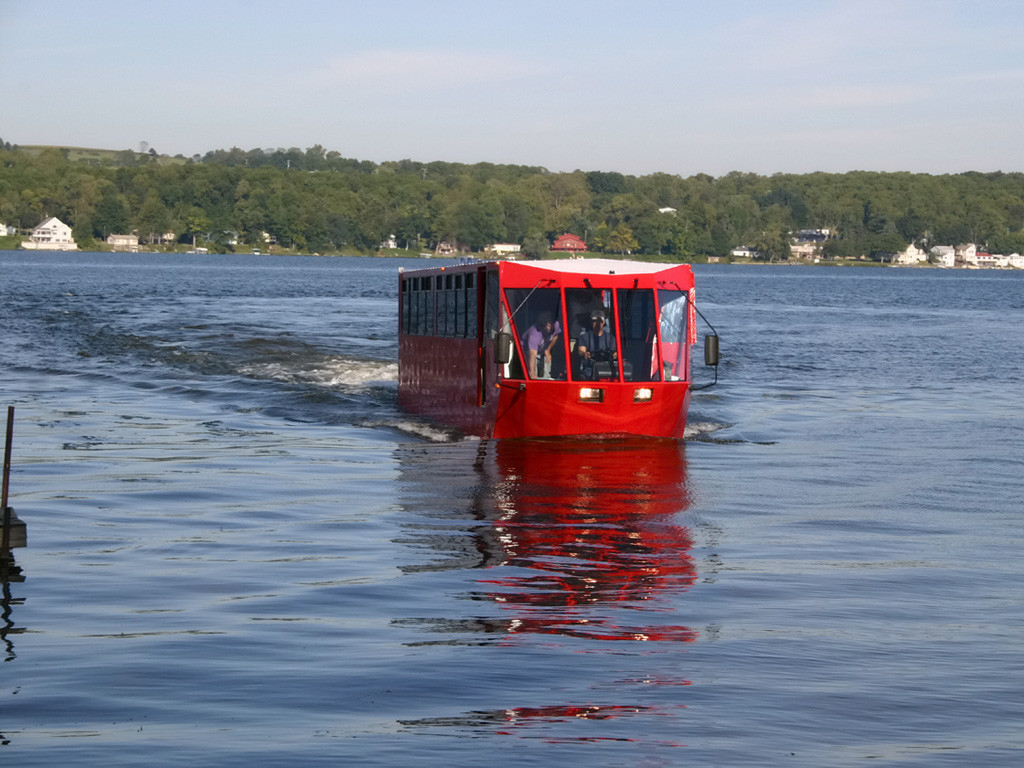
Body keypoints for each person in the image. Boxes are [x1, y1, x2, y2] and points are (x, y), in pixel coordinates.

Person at [576, 309, 616, 380]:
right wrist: (585, 353)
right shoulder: (584, 337)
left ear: (603, 322)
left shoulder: (610, 338)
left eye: (600, 321)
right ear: (591, 322)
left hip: (607, 369)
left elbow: (615, 352)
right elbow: (581, 351)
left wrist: (614, 355)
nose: (597, 324)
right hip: (589, 370)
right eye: (595, 321)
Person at [520, 311, 562, 379]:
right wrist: (532, 374)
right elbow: (532, 355)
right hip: (527, 350)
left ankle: (547, 379)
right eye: (547, 324)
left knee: (547, 363)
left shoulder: (555, 324)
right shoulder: (534, 334)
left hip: (543, 349)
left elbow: (555, 336)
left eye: (551, 323)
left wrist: (548, 350)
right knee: (533, 374)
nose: (550, 325)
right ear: (542, 324)